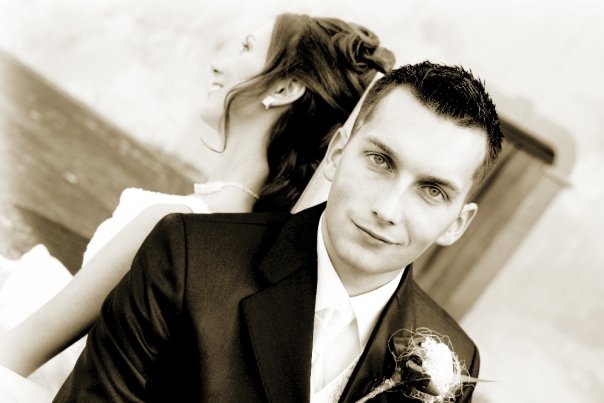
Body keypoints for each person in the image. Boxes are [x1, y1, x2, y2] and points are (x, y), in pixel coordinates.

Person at [54, 62, 503, 402]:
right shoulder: (188, 257)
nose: (387, 209)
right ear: (337, 154)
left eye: (431, 190)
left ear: (457, 223)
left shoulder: (456, 358)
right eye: (380, 161)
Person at [0, 13, 394, 400]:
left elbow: (16, 355)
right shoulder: (257, 246)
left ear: (284, 88)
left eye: (245, 48)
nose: (217, 64)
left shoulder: (173, 227)